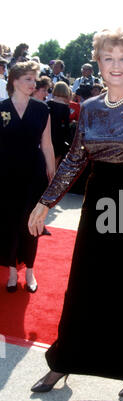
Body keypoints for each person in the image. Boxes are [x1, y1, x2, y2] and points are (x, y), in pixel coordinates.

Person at [28, 28, 123, 395]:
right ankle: (62, 361)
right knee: (82, 283)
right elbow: (73, 160)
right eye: (108, 58)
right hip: (97, 198)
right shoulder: (92, 108)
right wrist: (44, 201)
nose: (116, 65)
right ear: (97, 62)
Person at [0, 61, 55, 292]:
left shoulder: (42, 110)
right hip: (6, 175)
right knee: (9, 224)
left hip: (34, 175)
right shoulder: (1, 108)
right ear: (14, 81)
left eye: (35, 80)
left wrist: (53, 174)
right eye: (28, 79)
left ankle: (30, 272)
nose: (34, 84)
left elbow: (47, 144)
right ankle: (12, 271)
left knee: (32, 224)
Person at [47, 81, 71, 168]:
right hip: (59, 137)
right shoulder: (66, 108)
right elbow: (66, 125)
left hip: (47, 135)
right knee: (55, 162)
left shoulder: (48, 103)